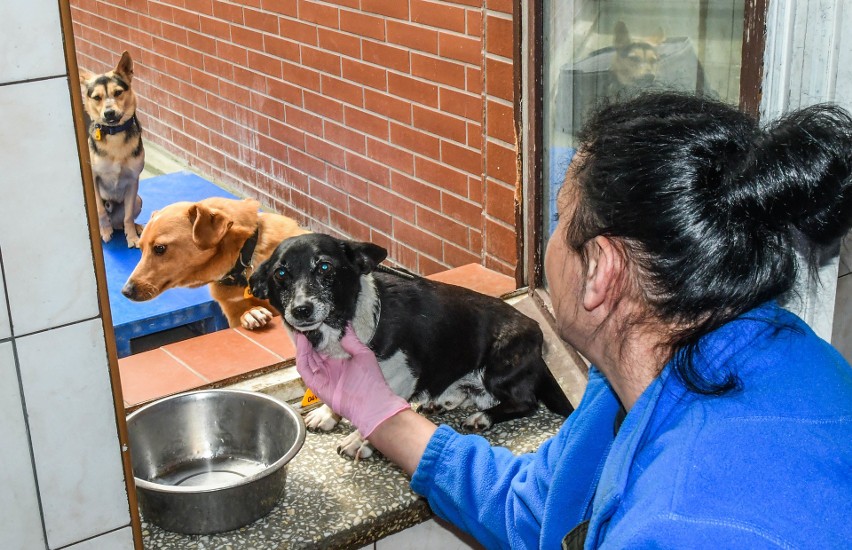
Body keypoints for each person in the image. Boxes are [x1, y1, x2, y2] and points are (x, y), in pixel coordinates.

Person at [295, 91, 852, 549]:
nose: (551, 243)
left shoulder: (684, 529)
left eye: (561, 221)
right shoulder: (653, 377)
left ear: (601, 270)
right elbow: (538, 510)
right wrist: (381, 413)